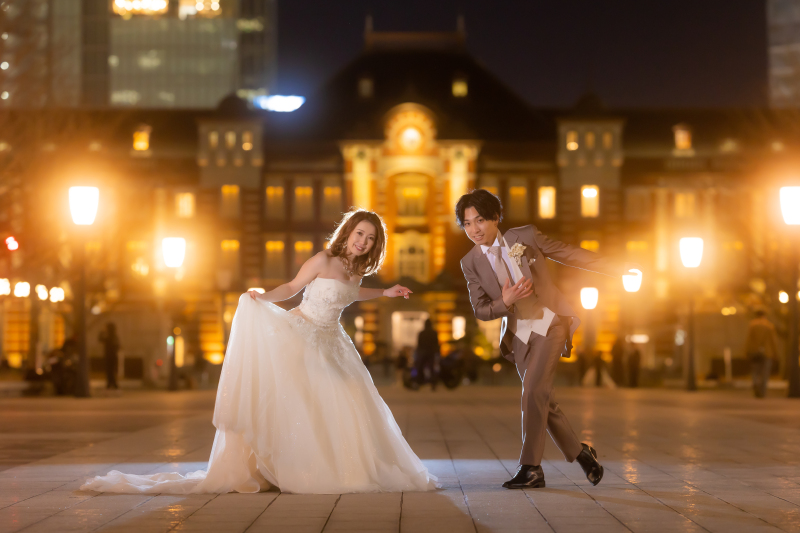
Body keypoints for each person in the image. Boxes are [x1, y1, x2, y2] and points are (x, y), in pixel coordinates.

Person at [81, 209, 438, 494]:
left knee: (348, 396)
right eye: (359, 233)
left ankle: (337, 465)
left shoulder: (356, 270)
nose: (363, 241)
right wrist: (263, 298)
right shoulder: (323, 259)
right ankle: (280, 468)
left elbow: (349, 294)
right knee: (299, 402)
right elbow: (293, 287)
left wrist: (384, 292)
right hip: (303, 335)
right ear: (348, 232)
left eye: (371, 238)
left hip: (334, 342)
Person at [456, 189, 639, 489]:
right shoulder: (470, 263)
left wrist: (615, 268)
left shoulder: (525, 236)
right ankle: (582, 455)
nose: (474, 229)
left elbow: (567, 252)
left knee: (532, 393)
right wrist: (505, 301)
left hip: (550, 322)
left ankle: (531, 468)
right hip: (519, 336)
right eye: (467, 224)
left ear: (495, 218)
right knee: (542, 398)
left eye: (480, 220)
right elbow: (481, 309)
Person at [745, 308, 779, 398]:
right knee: (765, 373)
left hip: (754, 351)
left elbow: (749, 340)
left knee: (755, 371)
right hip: (767, 352)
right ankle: (762, 392)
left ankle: (755, 383)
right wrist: (775, 353)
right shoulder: (769, 326)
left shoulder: (752, 325)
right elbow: (773, 341)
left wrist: (747, 352)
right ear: (765, 315)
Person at [415, 319, 440, 390]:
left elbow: (419, 344)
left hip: (424, 353)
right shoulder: (433, 333)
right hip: (430, 353)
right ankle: (433, 384)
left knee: (420, 367)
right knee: (431, 368)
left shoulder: (422, 333)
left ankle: (419, 383)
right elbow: (436, 344)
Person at [98, 322, 121, 390]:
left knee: (109, 370)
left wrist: (102, 331)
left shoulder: (109, 336)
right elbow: (118, 346)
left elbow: (100, 339)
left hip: (109, 355)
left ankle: (111, 383)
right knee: (112, 370)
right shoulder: (114, 336)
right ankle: (112, 383)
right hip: (113, 355)